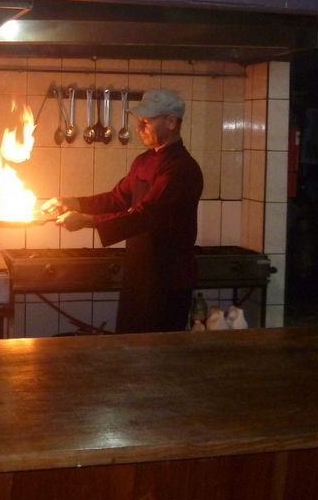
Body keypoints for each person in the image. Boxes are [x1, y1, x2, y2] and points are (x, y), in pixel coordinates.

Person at [41, 88, 203, 333]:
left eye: (146, 123)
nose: (138, 129)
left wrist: (85, 221)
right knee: (130, 338)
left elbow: (145, 215)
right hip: (139, 269)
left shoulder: (181, 169)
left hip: (168, 277)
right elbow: (117, 198)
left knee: (159, 346)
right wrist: (71, 202)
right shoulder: (143, 161)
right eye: (139, 122)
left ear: (171, 122)